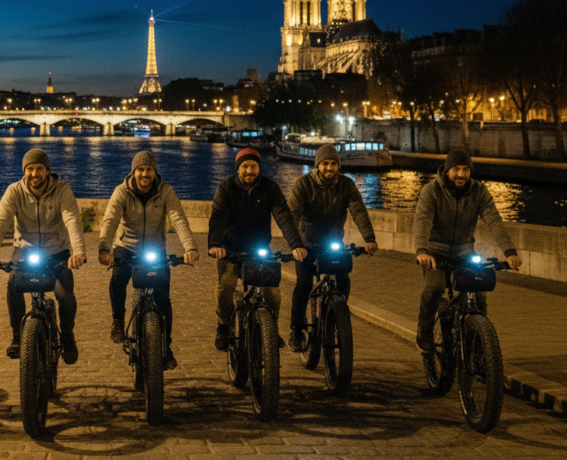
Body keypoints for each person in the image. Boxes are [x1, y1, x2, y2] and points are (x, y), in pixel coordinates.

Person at [0, 148, 87, 364]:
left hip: (57, 250)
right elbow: (1, 221)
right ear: (24, 172)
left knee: (65, 293)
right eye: (29, 169)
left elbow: (72, 220)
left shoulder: (62, 190)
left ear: (47, 171)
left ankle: (68, 336)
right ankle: (17, 336)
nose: (34, 173)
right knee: (13, 285)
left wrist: (78, 251)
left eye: (39, 168)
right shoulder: (14, 191)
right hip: (25, 249)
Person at [98, 150, 199, 371]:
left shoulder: (165, 191)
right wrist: (105, 249)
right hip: (126, 246)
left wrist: (190, 247)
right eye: (141, 169)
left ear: (155, 172)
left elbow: (178, 219)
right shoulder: (122, 191)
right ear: (133, 172)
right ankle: (118, 320)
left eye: (149, 169)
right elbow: (110, 220)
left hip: (155, 248)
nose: (145, 174)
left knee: (163, 298)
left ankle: (166, 347)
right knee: (118, 277)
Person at [413, 149, 521, 352]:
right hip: (435, 253)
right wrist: (422, 251)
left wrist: (509, 251)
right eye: (456, 169)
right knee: (434, 287)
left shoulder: (479, 191)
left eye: (465, 169)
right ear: (447, 171)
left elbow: (493, 220)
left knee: (478, 293)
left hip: (464, 252)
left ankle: (480, 342)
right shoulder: (431, 190)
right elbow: (422, 221)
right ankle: (424, 329)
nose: (461, 174)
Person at [209, 148, 307, 351]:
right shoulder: (226, 188)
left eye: (253, 166)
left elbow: (283, 216)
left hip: (259, 248)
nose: (249, 170)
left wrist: (296, 244)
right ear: (238, 169)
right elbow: (218, 217)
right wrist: (215, 244)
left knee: (272, 290)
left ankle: (271, 328)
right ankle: (223, 326)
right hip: (230, 248)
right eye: (245, 166)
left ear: (259, 168)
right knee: (225, 286)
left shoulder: (270, 187)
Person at [286, 144, 378, 352]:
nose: (329, 168)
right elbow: (292, 215)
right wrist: (295, 244)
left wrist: (369, 238)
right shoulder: (304, 184)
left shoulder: (346, 185)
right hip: (307, 245)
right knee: (303, 285)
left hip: (332, 243)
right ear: (317, 165)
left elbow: (358, 210)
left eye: (333, 164)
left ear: (338, 166)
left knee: (343, 280)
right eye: (325, 163)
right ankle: (296, 330)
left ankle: (337, 314)